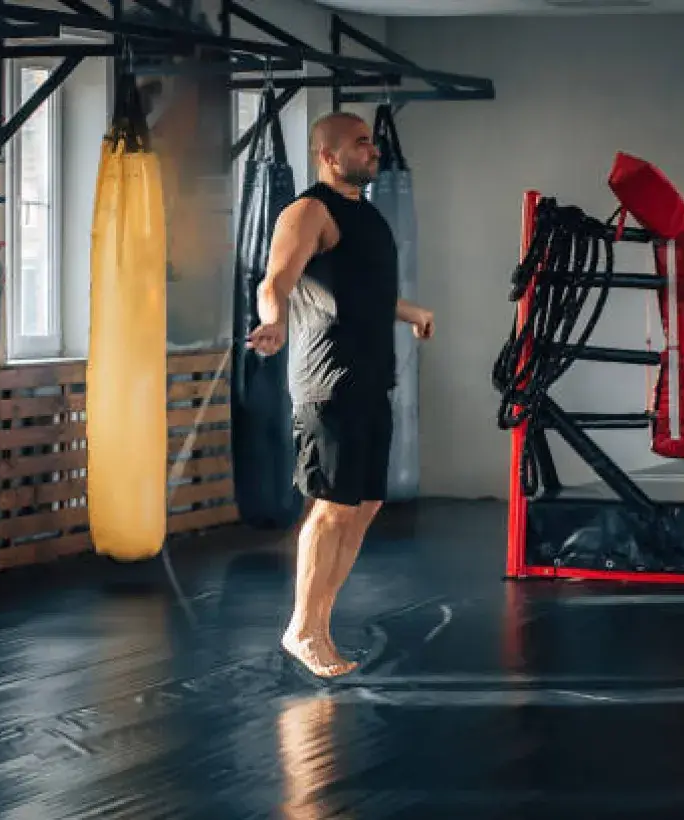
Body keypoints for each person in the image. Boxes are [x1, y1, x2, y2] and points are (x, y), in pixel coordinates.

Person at [247, 111, 434, 678]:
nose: (372, 150)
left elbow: (360, 293)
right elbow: (275, 281)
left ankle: (319, 625)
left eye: (372, 143)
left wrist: (410, 312)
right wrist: (274, 324)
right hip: (328, 384)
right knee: (330, 509)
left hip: (371, 380)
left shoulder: (367, 216)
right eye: (361, 143)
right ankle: (302, 628)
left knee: (364, 505)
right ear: (328, 156)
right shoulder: (309, 211)